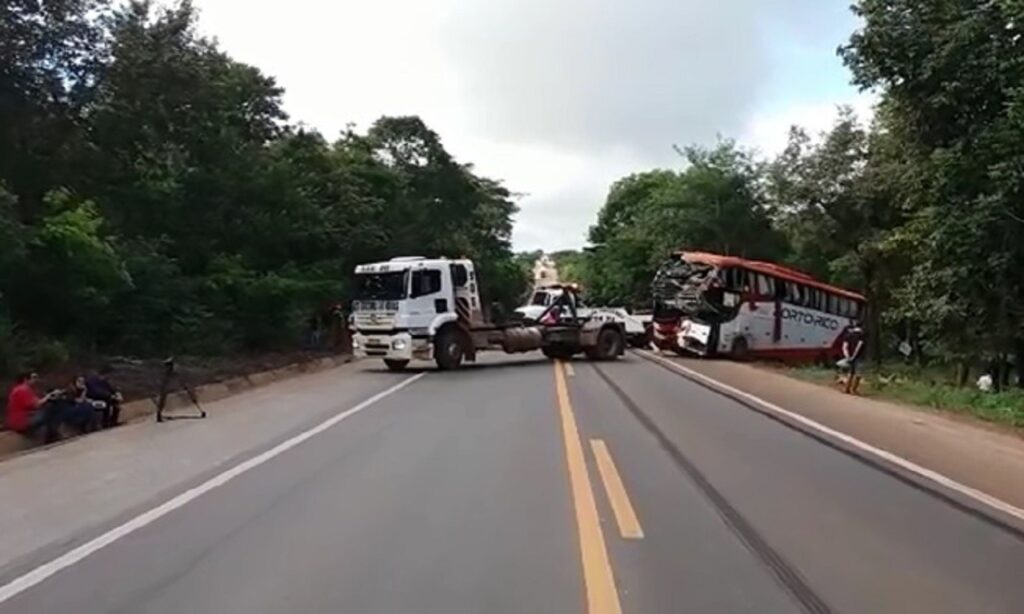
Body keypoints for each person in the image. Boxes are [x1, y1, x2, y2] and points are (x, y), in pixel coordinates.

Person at [5, 372, 63, 443]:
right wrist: (48, 396)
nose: (35, 380)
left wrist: (48, 397)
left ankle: (51, 433)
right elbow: (37, 404)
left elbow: (35, 404)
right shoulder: (23, 390)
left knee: (49, 408)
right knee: (52, 409)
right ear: (26, 379)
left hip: (20, 420)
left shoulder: (20, 389)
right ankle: (52, 434)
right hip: (22, 422)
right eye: (33, 378)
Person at [838, 322, 866, 394]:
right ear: (862, 327)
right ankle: (854, 390)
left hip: (849, 357)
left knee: (850, 372)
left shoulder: (848, 335)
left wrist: (847, 356)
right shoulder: (862, 335)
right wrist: (854, 356)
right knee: (858, 374)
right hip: (859, 356)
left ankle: (846, 389)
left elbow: (844, 347)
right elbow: (859, 346)